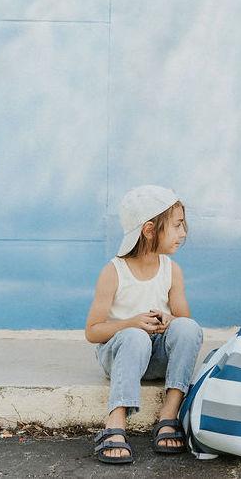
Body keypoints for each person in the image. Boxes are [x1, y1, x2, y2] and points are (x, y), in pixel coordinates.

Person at [85, 185, 203, 464]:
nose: (183, 233)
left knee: (189, 328)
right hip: (121, 356)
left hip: (158, 358)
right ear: (149, 229)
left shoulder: (172, 270)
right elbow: (93, 331)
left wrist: (168, 322)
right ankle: (116, 422)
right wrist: (131, 323)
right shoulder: (114, 272)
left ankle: (169, 414)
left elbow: (184, 322)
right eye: (176, 225)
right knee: (135, 337)